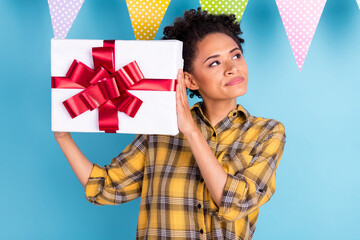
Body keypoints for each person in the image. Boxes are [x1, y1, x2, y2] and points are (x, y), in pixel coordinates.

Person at [54, 7, 286, 240]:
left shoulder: (267, 133)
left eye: (236, 55)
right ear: (190, 80)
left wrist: (191, 132)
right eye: (214, 63)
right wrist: (63, 137)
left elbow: (236, 202)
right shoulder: (160, 130)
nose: (232, 67)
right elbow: (105, 188)